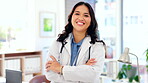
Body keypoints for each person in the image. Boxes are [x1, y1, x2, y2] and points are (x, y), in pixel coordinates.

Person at [45, 1, 106, 83]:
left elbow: (93, 75)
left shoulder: (97, 45)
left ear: (91, 20)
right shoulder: (58, 43)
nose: (80, 18)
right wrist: (82, 70)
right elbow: (50, 74)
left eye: (86, 15)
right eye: (77, 14)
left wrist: (61, 69)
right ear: (71, 17)